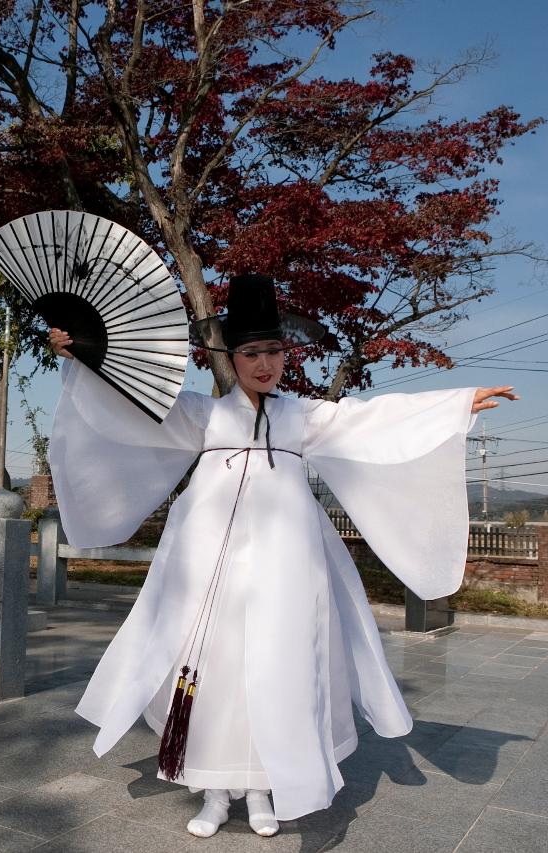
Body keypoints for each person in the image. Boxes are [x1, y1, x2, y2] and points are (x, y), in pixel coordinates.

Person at [45, 274, 517, 839]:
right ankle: (216, 790)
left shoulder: (304, 418)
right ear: (230, 356)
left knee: (282, 664)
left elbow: (374, 421)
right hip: (207, 567)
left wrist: (457, 403)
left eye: (273, 351)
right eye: (251, 353)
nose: (265, 363)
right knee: (214, 667)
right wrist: (81, 354)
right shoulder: (202, 415)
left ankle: (267, 786)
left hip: (287, 569)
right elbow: (133, 402)